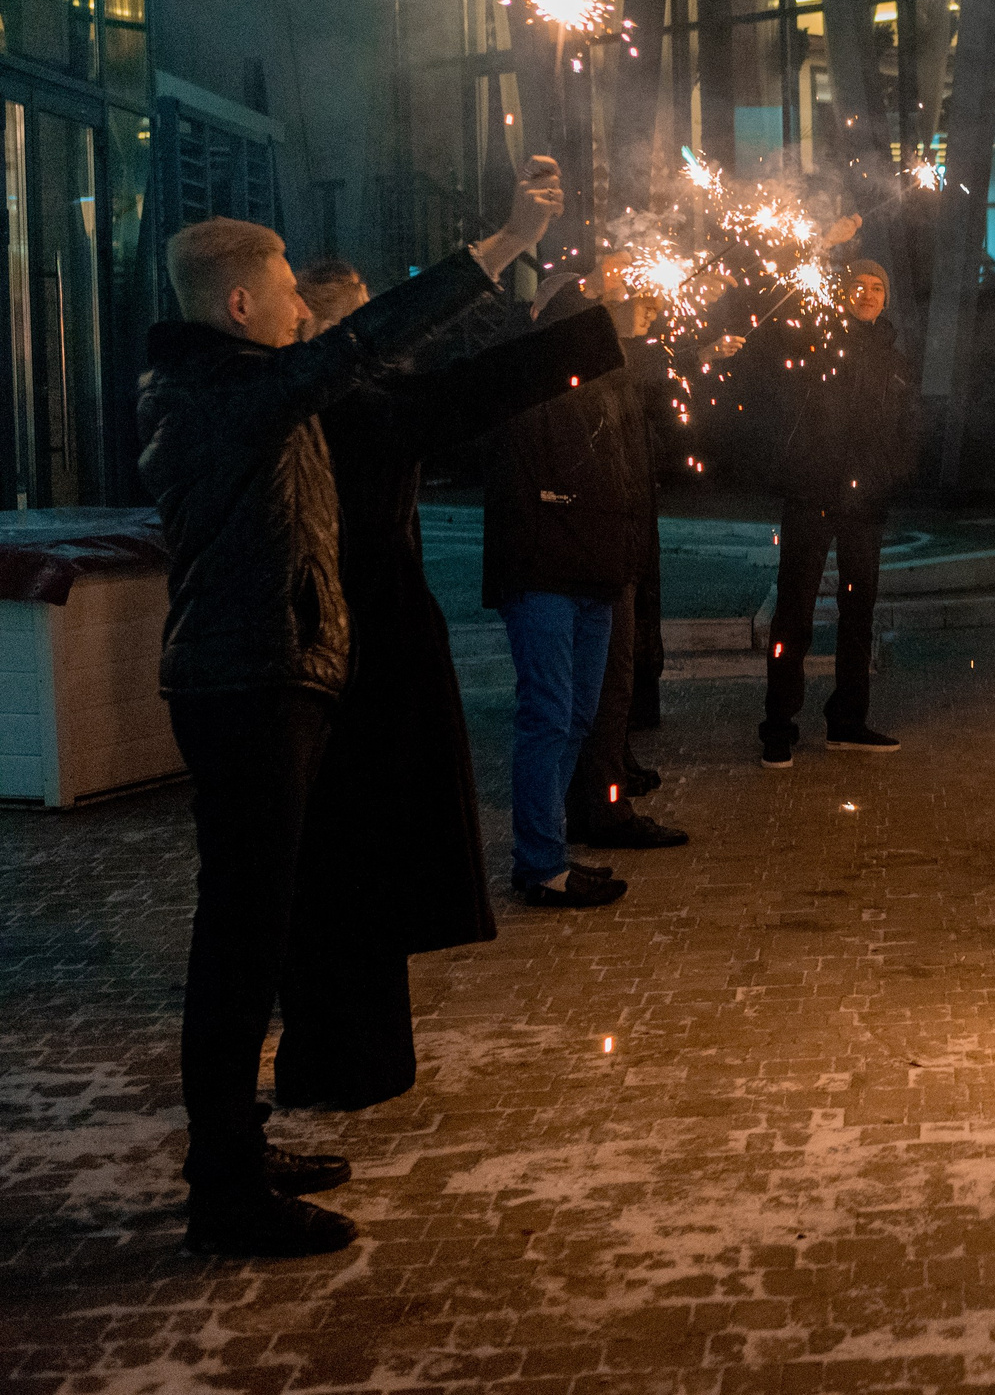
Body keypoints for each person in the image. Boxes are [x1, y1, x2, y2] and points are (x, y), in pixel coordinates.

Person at [135, 158, 562, 1257]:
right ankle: (223, 1190)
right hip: (248, 686)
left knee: (257, 927)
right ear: (239, 306)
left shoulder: (240, 386)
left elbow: (396, 389)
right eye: (283, 287)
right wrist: (502, 243)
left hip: (270, 677)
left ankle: (233, 1145)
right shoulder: (226, 391)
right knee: (239, 941)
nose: (303, 307)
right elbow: (366, 345)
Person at [276, 261, 624, 1114]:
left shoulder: (330, 399)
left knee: (350, 864)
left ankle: (357, 1054)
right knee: (343, 863)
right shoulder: (339, 405)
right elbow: (468, 391)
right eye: (368, 324)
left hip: (346, 645)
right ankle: (338, 1062)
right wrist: (514, 263)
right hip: (341, 653)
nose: (385, 341)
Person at [481, 274, 660, 911]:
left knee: (579, 716)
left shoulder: (607, 388)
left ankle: (548, 849)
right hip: (541, 576)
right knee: (549, 716)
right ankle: (538, 861)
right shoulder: (528, 386)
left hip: (595, 575)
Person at [735, 240, 919, 767]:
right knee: (794, 609)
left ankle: (848, 720)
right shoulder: (816, 340)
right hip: (812, 493)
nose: (867, 294)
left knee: (858, 612)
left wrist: (890, 476)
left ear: (887, 299)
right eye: (857, 285)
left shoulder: (894, 357)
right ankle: (778, 725)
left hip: (866, 504)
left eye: (877, 287)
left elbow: (906, 429)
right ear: (840, 294)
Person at [563, 269, 689, 855]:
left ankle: (601, 797)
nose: (639, 311)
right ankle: (601, 808)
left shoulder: (616, 371)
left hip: (625, 540)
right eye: (622, 304)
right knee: (601, 690)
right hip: (600, 547)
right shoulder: (586, 372)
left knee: (612, 687)